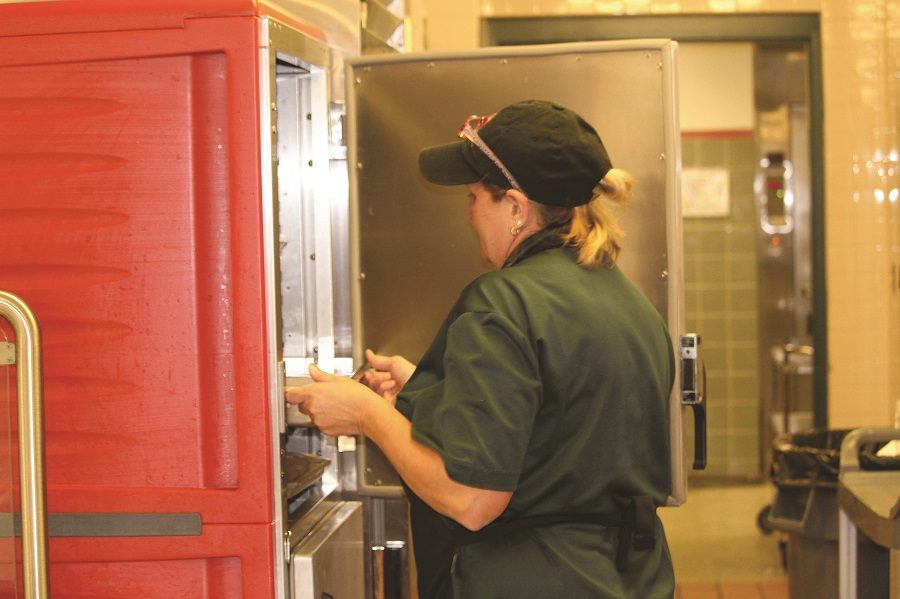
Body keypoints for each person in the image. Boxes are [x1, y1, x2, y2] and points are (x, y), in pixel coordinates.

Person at [286, 99, 675, 598]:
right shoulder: (627, 301)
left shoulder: (503, 302)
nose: (469, 215)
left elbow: (473, 499)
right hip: (629, 579)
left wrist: (367, 417)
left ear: (515, 207)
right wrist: (433, 392)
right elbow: (561, 428)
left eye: (473, 197)